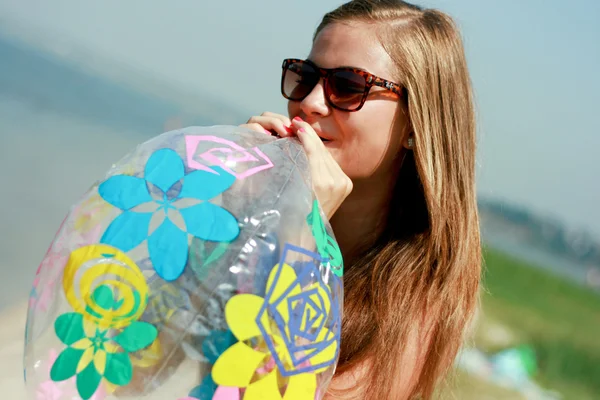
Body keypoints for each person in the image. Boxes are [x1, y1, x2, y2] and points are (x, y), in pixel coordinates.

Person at [241, 0, 482, 399]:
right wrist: (238, 202)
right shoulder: (261, 208)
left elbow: (262, 386)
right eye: (305, 77)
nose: (310, 103)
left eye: (349, 86)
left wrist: (303, 231)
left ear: (415, 125)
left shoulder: (415, 302)